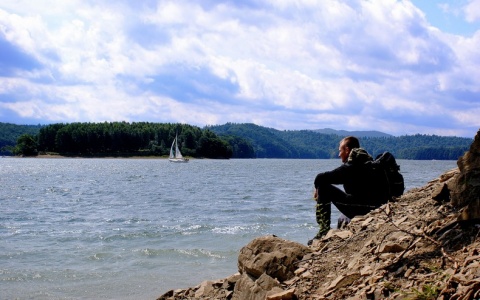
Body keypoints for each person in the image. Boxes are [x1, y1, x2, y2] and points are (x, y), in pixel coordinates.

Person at [309, 136, 389, 245]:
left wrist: (317, 189)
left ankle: (323, 230)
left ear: (347, 150)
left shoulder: (351, 167)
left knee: (324, 188)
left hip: (364, 209)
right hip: (377, 206)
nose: (339, 154)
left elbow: (321, 178)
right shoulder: (368, 163)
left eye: (340, 151)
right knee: (342, 214)